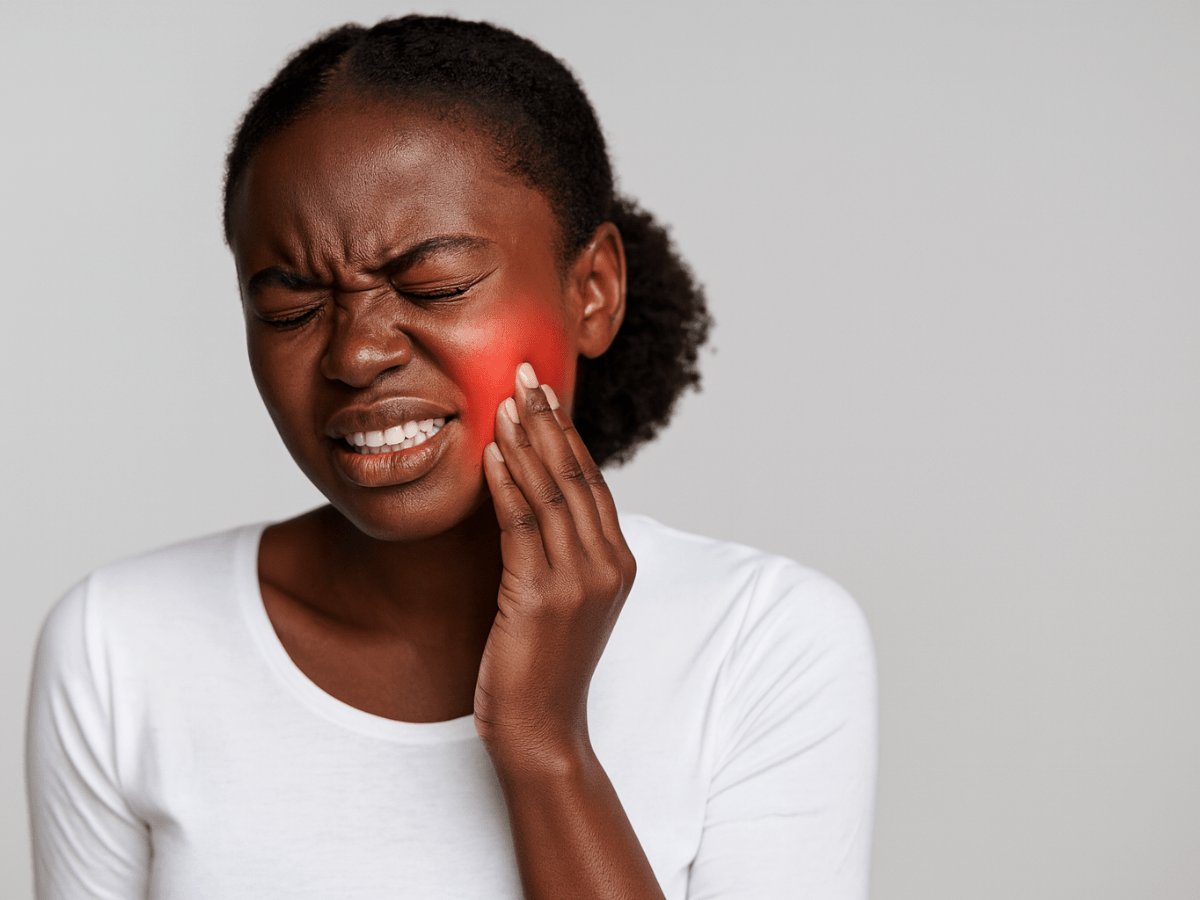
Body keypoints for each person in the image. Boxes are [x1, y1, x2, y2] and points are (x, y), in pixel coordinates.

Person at [25, 15, 876, 900]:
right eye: (290, 308)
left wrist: (545, 744)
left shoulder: (765, 644)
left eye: (434, 286)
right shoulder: (121, 645)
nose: (355, 355)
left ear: (594, 290)